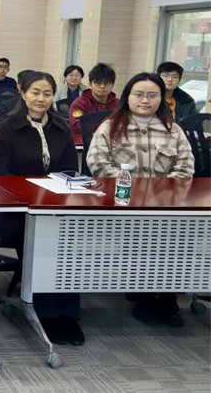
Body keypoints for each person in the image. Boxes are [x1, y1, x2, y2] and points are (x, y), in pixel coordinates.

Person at [86, 72, 194, 327]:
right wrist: (133, 190)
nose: (145, 100)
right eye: (139, 94)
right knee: (146, 238)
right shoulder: (110, 127)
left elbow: (185, 169)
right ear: (128, 97)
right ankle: (144, 295)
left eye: (152, 95)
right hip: (124, 206)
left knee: (177, 238)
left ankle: (168, 298)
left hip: (165, 206)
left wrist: (160, 194)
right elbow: (99, 164)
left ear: (161, 98)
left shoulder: (173, 130)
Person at [0, 71, 83, 345]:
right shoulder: (7, 127)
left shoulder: (61, 127)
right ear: (23, 93)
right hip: (20, 213)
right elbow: (0, 177)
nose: (41, 98)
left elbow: (70, 172)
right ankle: (47, 314)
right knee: (43, 246)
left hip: (55, 209)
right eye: (35, 92)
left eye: (47, 93)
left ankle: (69, 314)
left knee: (67, 248)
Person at [68, 62, 120, 134]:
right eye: (98, 83)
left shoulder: (119, 104)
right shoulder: (79, 103)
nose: (102, 86)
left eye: (106, 83)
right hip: (86, 139)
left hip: (114, 139)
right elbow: (77, 125)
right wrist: (106, 127)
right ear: (90, 85)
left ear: (112, 85)